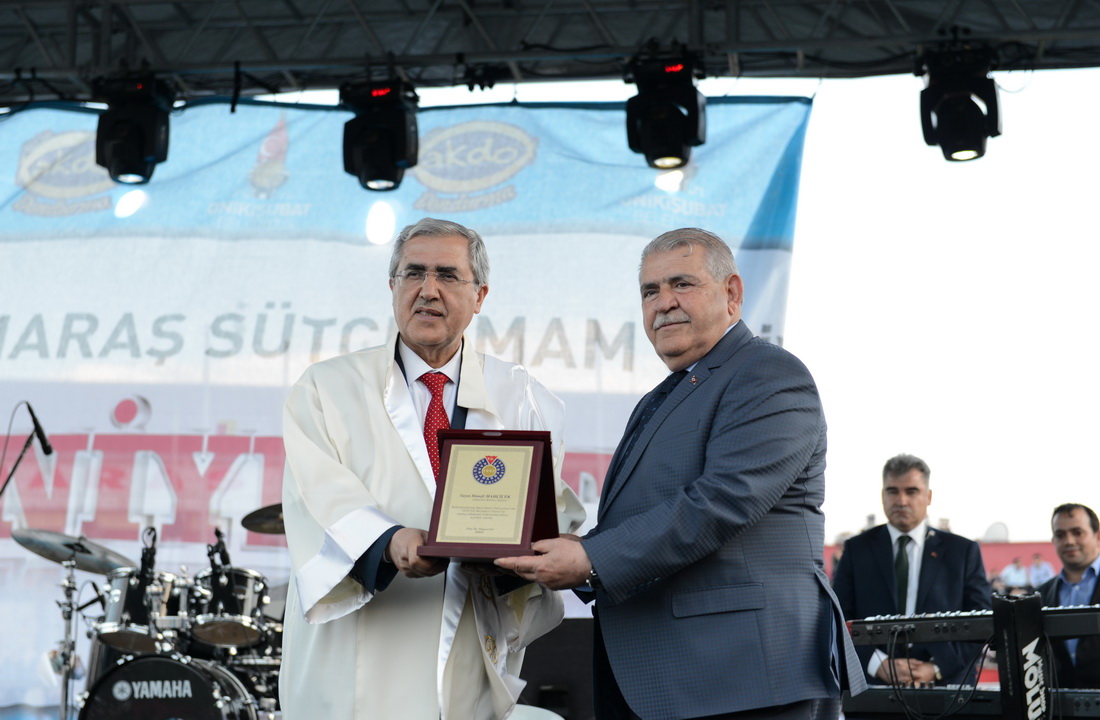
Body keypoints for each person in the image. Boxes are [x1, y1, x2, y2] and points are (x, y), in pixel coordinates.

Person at [497, 227, 866, 720]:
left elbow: (724, 500)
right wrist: (566, 548)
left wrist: (591, 558)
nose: (663, 302)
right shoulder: (663, 397)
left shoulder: (768, 374)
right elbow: (649, 517)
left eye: (682, 284)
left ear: (731, 293)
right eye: (650, 291)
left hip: (744, 679)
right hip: (670, 679)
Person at [279, 218, 585, 720]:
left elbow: (550, 506)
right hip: (358, 659)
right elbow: (317, 497)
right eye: (413, 273)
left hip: (469, 643)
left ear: (480, 295)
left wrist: (526, 553)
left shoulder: (522, 395)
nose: (428, 290)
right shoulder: (326, 388)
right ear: (392, 286)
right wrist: (389, 542)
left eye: (447, 275)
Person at [831, 454, 992, 687]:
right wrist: (877, 663)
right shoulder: (857, 550)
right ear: (882, 495)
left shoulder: (962, 551)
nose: (902, 500)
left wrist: (936, 668)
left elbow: (982, 623)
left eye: (912, 491)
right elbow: (837, 618)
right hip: (871, 688)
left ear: (928, 496)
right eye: (893, 491)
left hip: (947, 691)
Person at [1036, 503, 1100, 689]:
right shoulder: (1040, 594)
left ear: (1097, 536)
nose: (1069, 541)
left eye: (1077, 532)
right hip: (1060, 702)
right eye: (1060, 535)